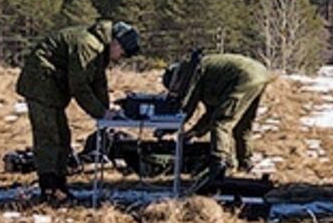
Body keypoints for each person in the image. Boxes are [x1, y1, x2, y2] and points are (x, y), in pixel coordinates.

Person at [16, 19, 138, 203]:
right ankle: (49, 189)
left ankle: (59, 186)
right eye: (122, 53)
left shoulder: (99, 48)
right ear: (115, 42)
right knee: (49, 136)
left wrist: (106, 110)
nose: (120, 59)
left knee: (63, 136)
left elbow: (98, 82)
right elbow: (79, 86)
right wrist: (100, 113)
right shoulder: (88, 45)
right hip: (40, 86)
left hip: (52, 88)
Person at [163, 50, 274, 190]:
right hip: (258, 74)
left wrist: (168, 126)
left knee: (222, 122)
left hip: (242, 77)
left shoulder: (190, 71)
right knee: (243, 126)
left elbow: (188, 105)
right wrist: (194, 132)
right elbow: (210, 113)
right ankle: (245, 162)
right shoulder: (206, 73)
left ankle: (219, 165)